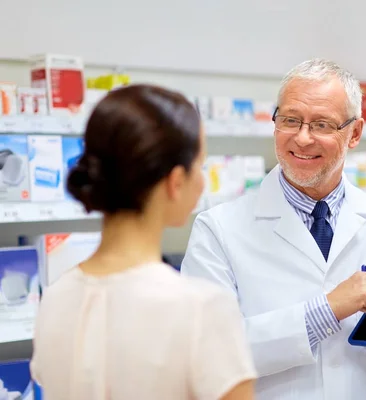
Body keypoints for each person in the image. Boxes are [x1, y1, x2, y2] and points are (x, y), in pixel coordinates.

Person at [180, 59, 366, 399]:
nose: (302, 138)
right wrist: (326, 310)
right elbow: (208, 354)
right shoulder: (218, 230)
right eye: (290, 120)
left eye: (321, 125)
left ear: (355, 133)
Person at [30, 84, 257, 400]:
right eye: (200, 165)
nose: (202, 178)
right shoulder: (201, 309)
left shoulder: (54, 299)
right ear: (175, 182)